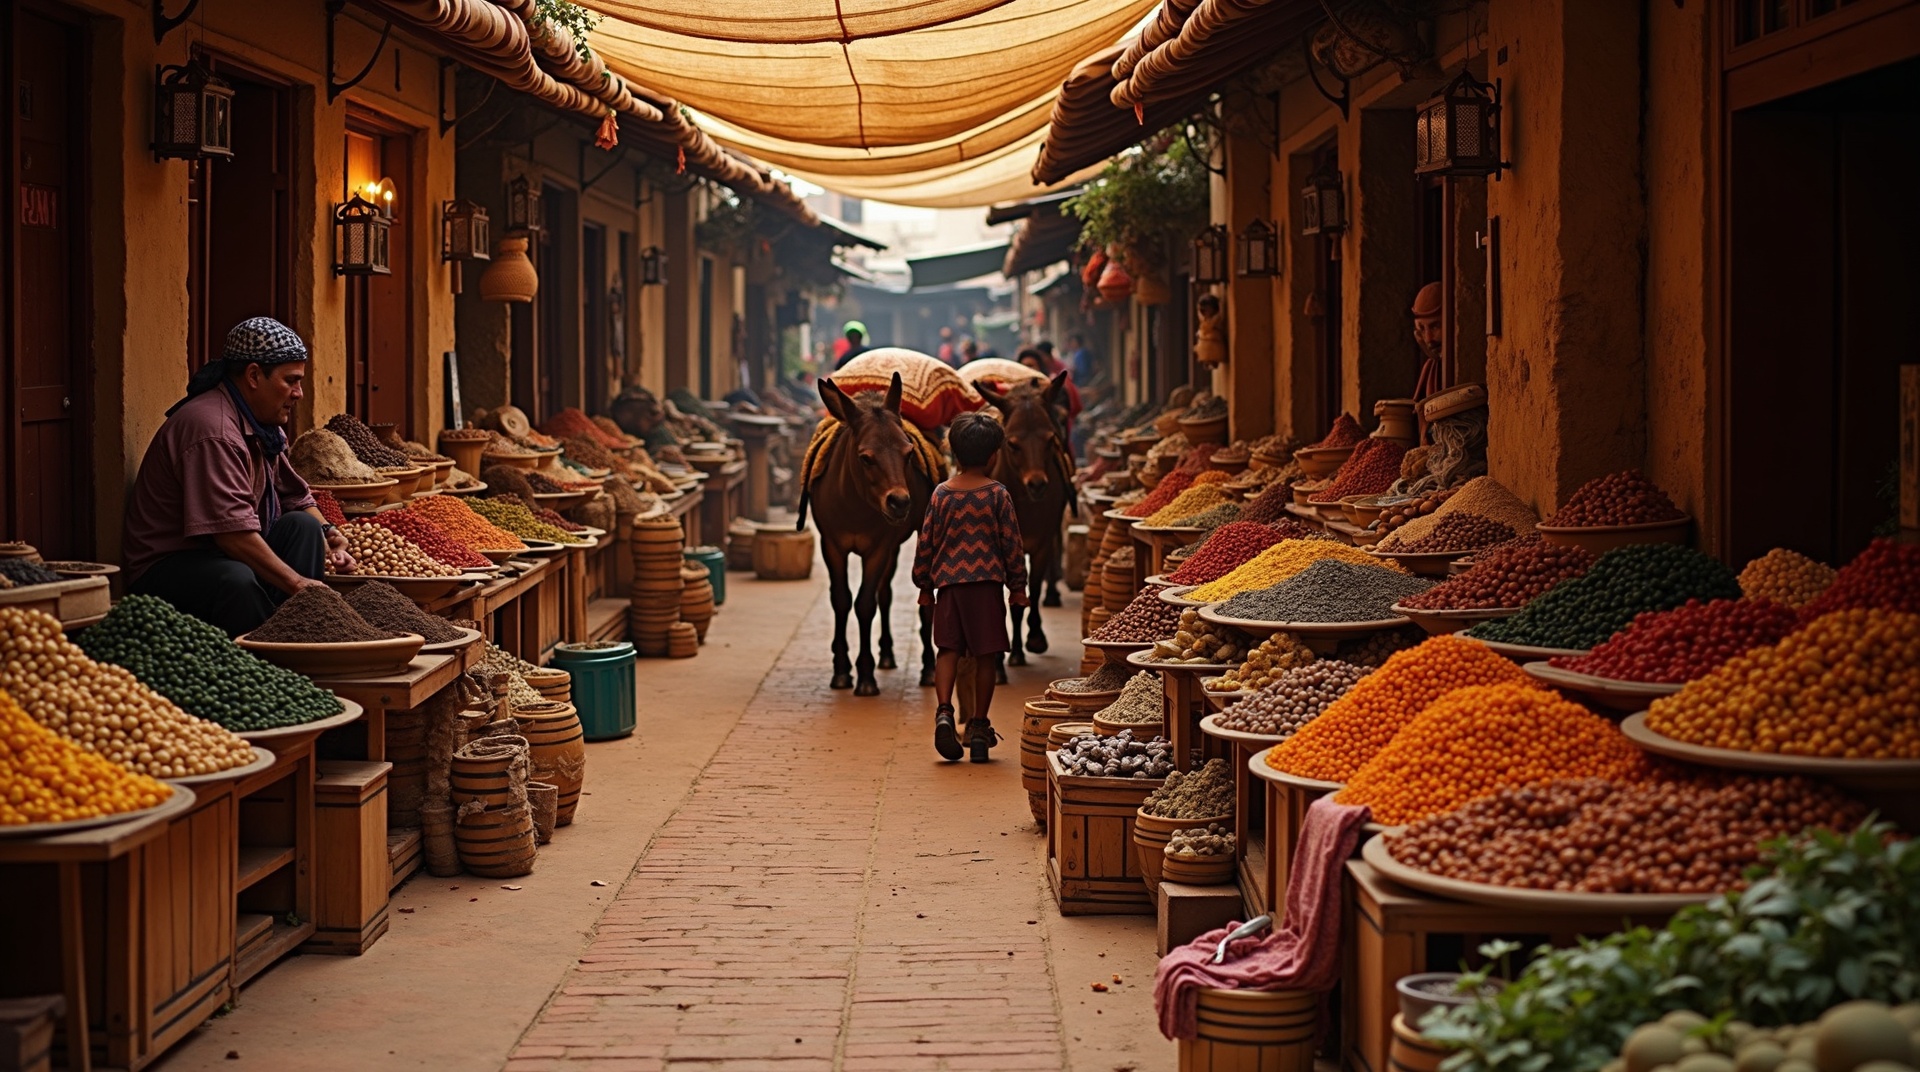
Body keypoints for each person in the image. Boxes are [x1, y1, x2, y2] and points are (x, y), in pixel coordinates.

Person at [123, 317, 355, 636]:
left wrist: (329, 533)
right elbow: (231, 534)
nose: (299, 393)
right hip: (170, 568)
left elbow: (295, 496)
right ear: (254, 376)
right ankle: (266, 656)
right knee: (236, 581)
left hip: (223, 553)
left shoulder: (261, 425)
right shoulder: (214, 431)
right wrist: (300, 584)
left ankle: (296, 632)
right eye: (291, 380)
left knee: (303, 527)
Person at [912, 413, 1028, 763]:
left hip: (949, 587)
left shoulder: (941, 494)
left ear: (953, 454)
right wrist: (1018, 586)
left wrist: (924, 585)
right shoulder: (998, 495)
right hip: (986, 588)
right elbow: (1012, 544)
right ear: (994, 455)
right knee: (985, 657)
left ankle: (945, 712)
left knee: (947, 651)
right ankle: (978, 725)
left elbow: (926, 542)